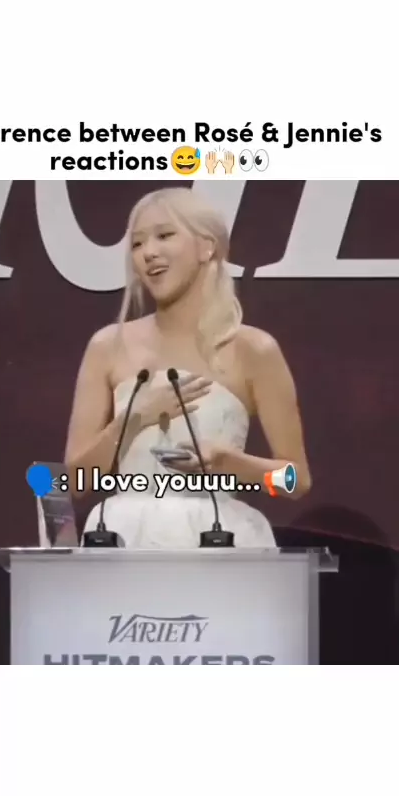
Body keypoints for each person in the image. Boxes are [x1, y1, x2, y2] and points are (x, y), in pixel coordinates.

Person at [61, 187, 311, 549]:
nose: (148, 252)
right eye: (137, 243)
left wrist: (228, 463)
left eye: (164, 235)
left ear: (207, 247)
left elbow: (294, 482)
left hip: (218, 540)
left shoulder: (254, 350)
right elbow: (76, 483)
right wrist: (131, 421)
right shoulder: (107, 347)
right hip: (123, 542)